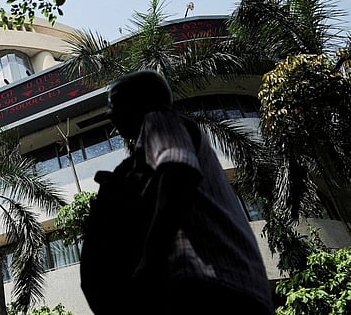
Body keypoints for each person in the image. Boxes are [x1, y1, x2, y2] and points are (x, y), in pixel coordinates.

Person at [97, 70, 273, 315]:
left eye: (115, 104)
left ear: (140, 103)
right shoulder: (172, 137)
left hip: (210, 284)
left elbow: (178, 174)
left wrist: (150, 261)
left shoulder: (157, 121)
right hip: (238, 284)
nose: (109, 113)